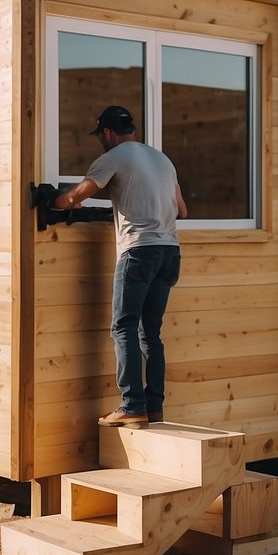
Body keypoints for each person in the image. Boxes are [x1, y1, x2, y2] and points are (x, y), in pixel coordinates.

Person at [54, 105, 187, 427]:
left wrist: (52, 202)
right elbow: (181, 211)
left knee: (123, 327)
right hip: (170, 252)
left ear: (108, 133)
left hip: (140, 252)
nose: (101, 140)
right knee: (150, 334)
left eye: (100, 135)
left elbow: (76, 198)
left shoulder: (113, 157)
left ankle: (131, 405)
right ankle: (154, 408)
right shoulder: (162, 159)